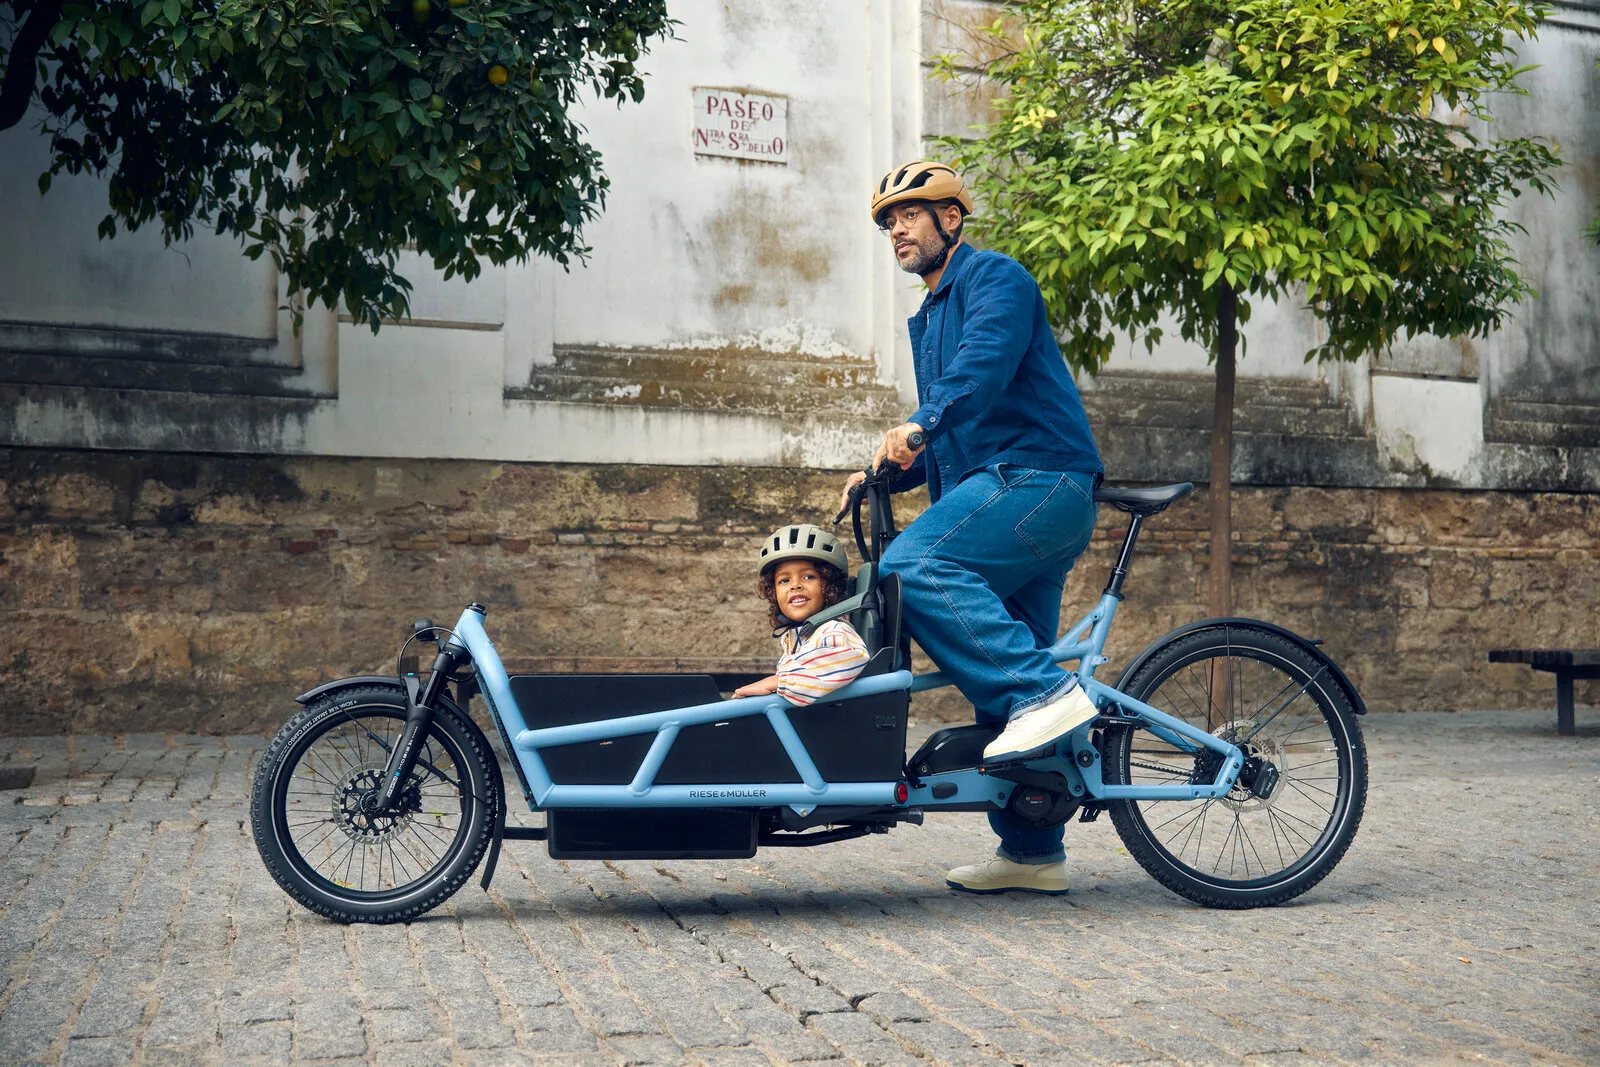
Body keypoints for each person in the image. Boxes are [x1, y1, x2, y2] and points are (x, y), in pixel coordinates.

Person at [842, 161, 1104, 896]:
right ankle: (1032, 851)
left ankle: (1046, 692)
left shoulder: (996, 279)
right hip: (1003, 489)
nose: (896, 230)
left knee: (915, 565)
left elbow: (981, 371)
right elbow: (958, 428)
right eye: (888, 222)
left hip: (1039, 479)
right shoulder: (931, 313)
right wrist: (884, 475)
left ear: (950, 218)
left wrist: (919, 421)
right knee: (1001, 698)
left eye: (909, 215)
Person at [733, 524, 870, 705]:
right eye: (784, 580)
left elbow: (849, 656)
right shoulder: (798, 636)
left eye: (808, 577)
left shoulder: (834, 630)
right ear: (773, 592)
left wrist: (777, 682)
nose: (795, 585)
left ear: (830, 586)